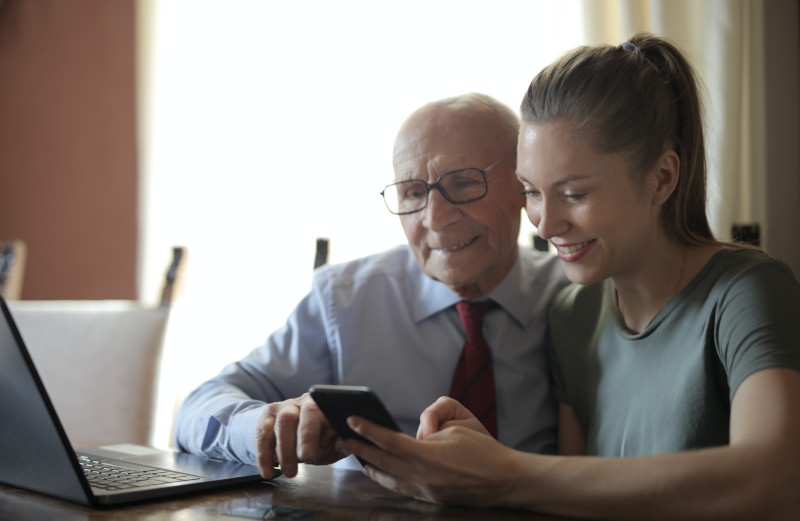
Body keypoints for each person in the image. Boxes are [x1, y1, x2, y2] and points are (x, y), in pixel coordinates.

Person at [340, 33, 800, 520]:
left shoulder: (747, 291)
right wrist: (480, 458)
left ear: (662, 178)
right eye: (531, 191)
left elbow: (775, 482)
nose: (544, 223)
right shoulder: (572, 314)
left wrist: (504, 471)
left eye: (574, 194)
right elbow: (571, 497)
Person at [173, 92, 569, 480]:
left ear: (524, 185)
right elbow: (197, 410)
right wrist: (267, 424)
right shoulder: (346, 300)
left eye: (463, 183)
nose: (435, 218)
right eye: (413, 192)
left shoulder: (574, 299)